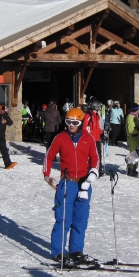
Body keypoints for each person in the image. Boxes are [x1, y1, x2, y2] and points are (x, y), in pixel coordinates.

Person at [42, 107, 100, 265]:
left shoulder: (88, 139)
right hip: (67, 183)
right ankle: (58, 252)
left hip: (84, 184)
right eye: (68, 122)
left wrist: (93, 174)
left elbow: (95, 158)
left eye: (75, 122)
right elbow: (49, 155)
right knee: (63, 219)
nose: (71, 125)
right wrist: (47, 175)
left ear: (81, 123)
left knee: (81, 219)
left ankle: (76, 251)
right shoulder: (61, 138)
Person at [84, 98, 105, 176]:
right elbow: (84, 127)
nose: (99, 108)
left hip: (97, 138)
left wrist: (101, 134)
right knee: (91, 155)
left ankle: (98, 169)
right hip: (90, 139)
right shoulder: (88, 115)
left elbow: (98, 127)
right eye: (99, 106)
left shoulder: (97, 116)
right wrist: (87, 136)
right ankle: (90, 169)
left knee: (98, 154)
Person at [125, 104, 139, 176]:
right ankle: (131, 169)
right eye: (138, 109)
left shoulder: (135, 116)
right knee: (134, 154)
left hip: (136, 138)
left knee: (136, 154)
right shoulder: (131, 117)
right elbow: (131, 130)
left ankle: (133, 169)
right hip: (132, 138)